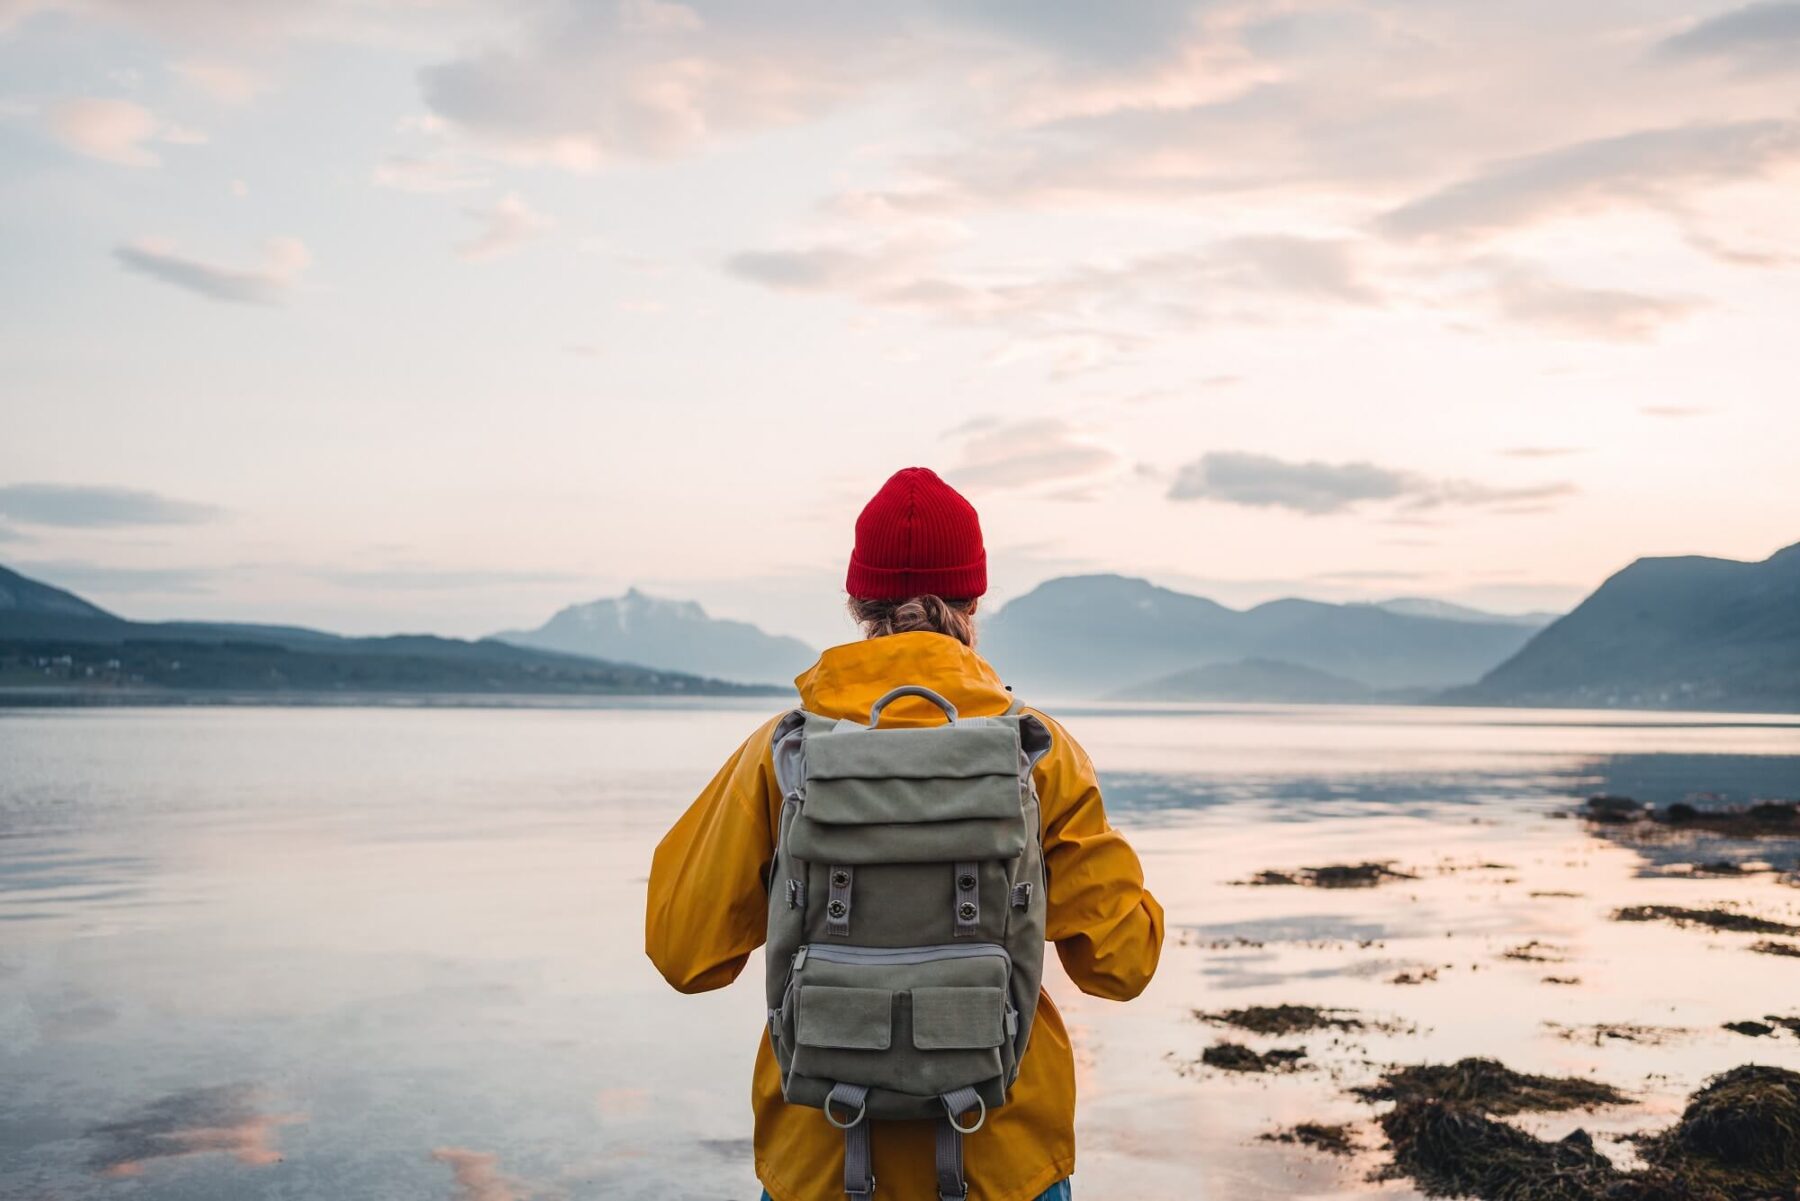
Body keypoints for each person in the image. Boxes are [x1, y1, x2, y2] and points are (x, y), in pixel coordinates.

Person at [645, 466, 1164, 1201]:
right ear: (974, 597)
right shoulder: (1040, 753)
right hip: (1001, 1163)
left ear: (859, 600)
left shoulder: (783, 753)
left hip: (821, 1162)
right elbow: (1125, 963)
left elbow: (681, 951)